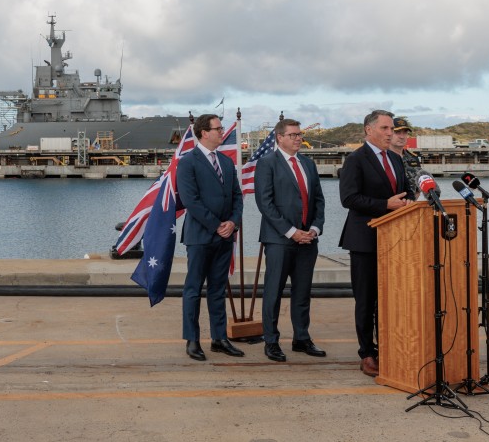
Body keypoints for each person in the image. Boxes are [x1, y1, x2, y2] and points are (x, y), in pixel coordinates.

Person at [338, 110, 414, 377]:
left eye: (391, 129)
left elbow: (405, 192)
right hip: (364, 240)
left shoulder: (395, 159)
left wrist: (409, 202)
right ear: (369, 130)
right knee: (366, 300)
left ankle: (390, 347)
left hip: (395, 241)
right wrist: (385, 205)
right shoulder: (355, 160)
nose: (390, 133)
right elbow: (348, 199)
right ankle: (367, 353)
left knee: (391, 298)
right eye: (385, 128)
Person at [254, 118, 326, 362]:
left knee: (303, 292)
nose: (298, 138)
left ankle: (301, 338)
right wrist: (291, 231)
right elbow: (265, 203)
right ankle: (271, 341)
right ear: (280, 138)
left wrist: (314, 229)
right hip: (279, 240)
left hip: (308, 240)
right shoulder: (267, 163)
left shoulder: (308, 164)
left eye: (299, 134)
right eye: (293, 134)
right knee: (273, 292)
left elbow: (318, 200)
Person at [176, 113, 245, 361]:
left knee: (217, 290)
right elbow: (190, 201)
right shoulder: (188, 162)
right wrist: (217, 225)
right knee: (193, 289)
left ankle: (219, 339)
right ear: (204, 132)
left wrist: (232, 222)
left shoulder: (226, 162)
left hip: (225, 236)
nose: (221, 132)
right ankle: (192, 340)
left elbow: (237, 196)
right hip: (200, 236)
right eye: (218, 128)